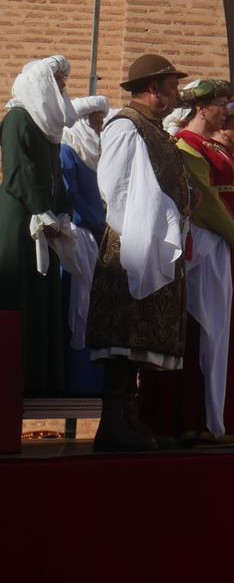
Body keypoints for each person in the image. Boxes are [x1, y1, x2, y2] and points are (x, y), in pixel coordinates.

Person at [146, 78, 234, 446]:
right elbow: (207, 203)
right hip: (209, 249)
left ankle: (233, 416)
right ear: (201, 108)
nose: (227, 111)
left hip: (232, 250)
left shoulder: (221, 151)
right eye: (221, 103)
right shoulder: (186, 145)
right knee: (210, 329)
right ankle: (199, 417)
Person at [85, 54, 192, 452]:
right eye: (171, 86)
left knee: (139, 337)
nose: (176, 93)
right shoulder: (125, 126)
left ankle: (128, 419)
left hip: (150, 242)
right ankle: (113, 424)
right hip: (131, 245)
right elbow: (114, 186)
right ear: (152, 90)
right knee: (123, 333)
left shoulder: (155, 129)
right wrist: (146, 229)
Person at [2, 55, 82, 397]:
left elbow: (55, 178)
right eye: (58, 81)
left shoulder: (48, 126)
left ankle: (40, 379)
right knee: (20, 292)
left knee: (43, 295)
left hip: (45, 219)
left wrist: (61, 213)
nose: (63, 87)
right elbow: (19, 172)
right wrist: (42, 212)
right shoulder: (18, 117)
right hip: (21, 218)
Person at [59, 94, 110, 394]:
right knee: (77, 312)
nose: (99, 128)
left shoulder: (93, 155)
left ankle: (92, 382)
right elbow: (70, 197)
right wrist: (96, 222)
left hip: (94, 240)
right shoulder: (67, 150)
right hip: (77, 240)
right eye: (95, 121)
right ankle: (75, 382)